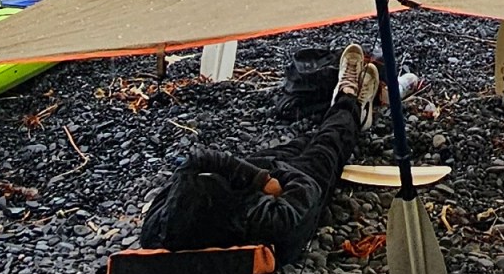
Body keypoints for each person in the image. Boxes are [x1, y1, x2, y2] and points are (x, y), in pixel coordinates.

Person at [139, 42, 379, 260]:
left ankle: (342, 116)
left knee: (301, 143)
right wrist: (273, 180)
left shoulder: (162, 222)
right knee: (329, 146)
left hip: (258, 180)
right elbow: (307, 189)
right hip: (298, 184)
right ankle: (351, 103)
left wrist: (257, 177)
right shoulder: (269, 222)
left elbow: (198, 160)